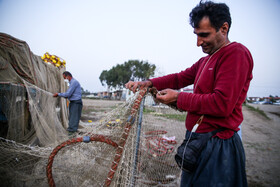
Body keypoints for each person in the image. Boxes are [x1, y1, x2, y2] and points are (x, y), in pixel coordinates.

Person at [125, 1, 253, 186]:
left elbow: (222, 103)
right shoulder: (204, 61)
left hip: (218, 144)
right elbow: (179, 79)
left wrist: (178, 98)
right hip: (197, 140)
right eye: (196, 35)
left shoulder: (235, 54)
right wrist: (147, 83)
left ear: (223, 29)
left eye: (204, 35)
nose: (198, 42)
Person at [53, 71, 83, 136]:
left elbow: (68, 94)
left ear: (68, 76)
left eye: (65, 78)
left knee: (73, 118)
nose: (66, 80)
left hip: (76, 102)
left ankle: (71, 133)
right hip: (74, 102)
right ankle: (73, 131)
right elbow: (69, 95)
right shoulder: (72, 82)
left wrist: (58, 94)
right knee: (73, 117)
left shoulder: (74, 82)